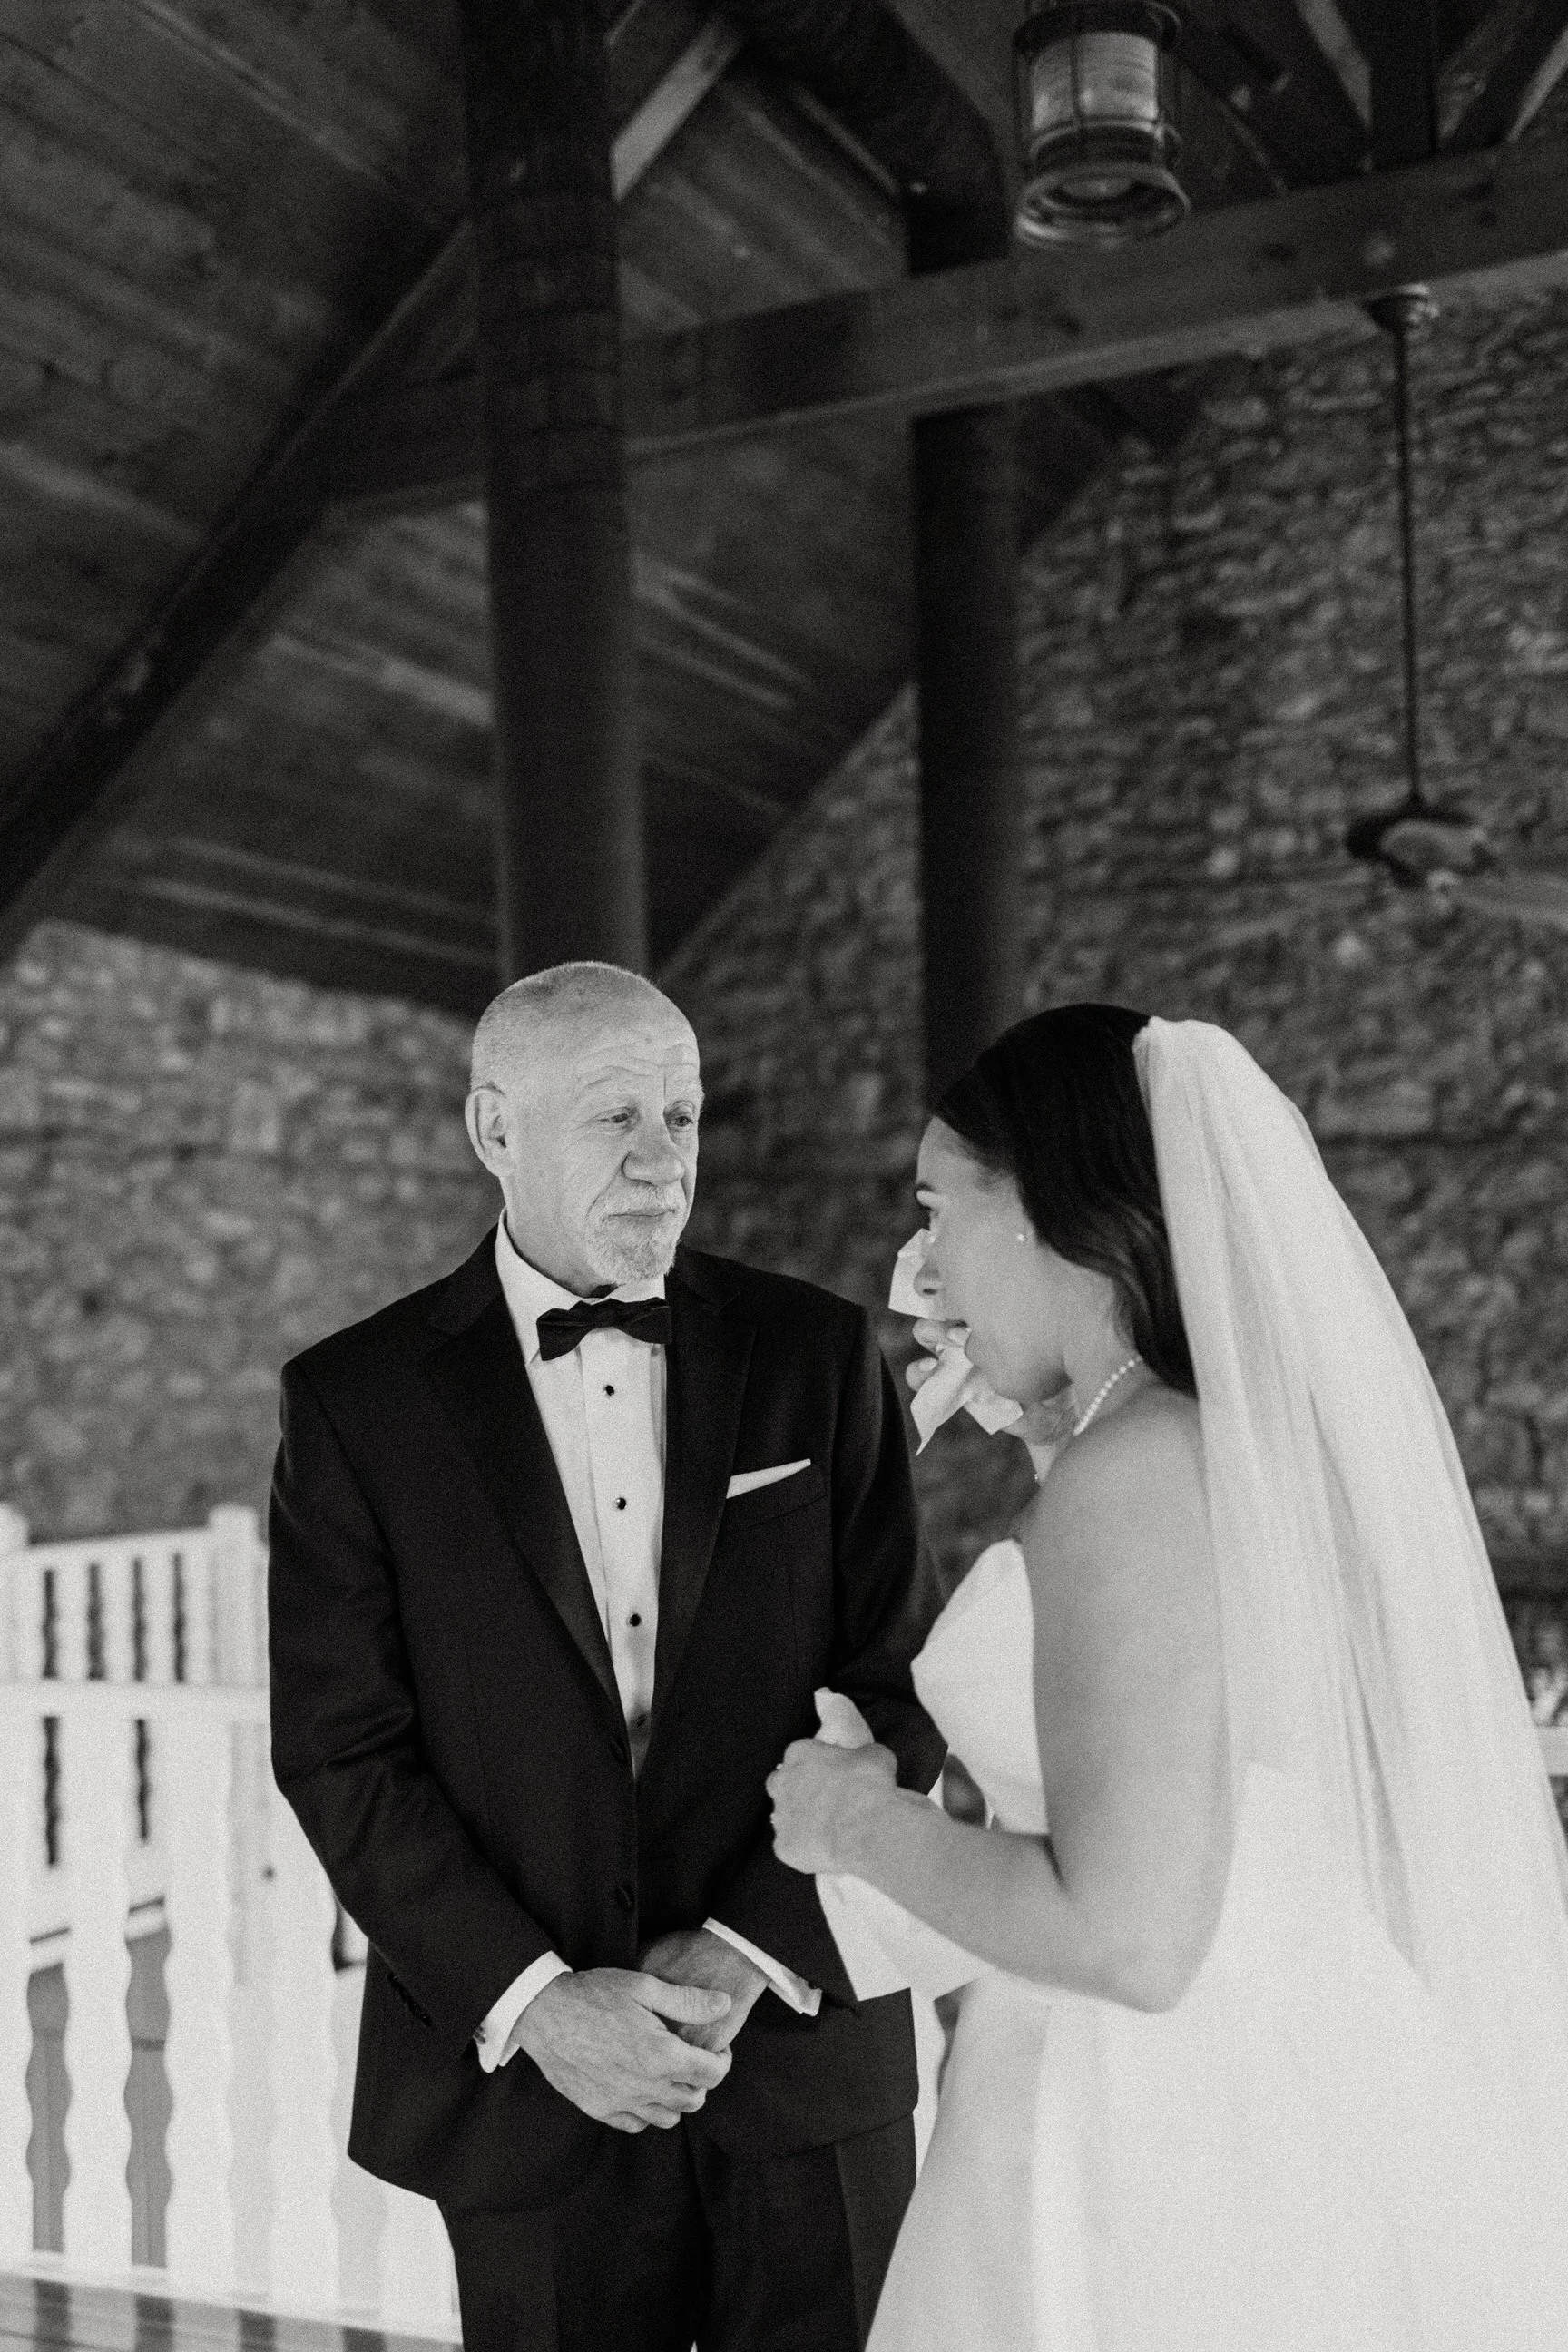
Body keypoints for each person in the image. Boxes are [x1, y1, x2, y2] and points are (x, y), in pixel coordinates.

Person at [768, 1004, 1568, 2351]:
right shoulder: (1196, 1457)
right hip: (1272, 2080)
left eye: (938, 1211)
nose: (923, 1270)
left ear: (1038, 1209)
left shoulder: (1135, 1476)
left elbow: (1125, 1937)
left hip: (1147, 2131)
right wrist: (1042, 1432)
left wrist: (856, 1820)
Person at [268, 961, 946, 2352]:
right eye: (613, 1118)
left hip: (799, 2057)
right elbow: (342, 1752)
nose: (662, 1161)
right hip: (530, 2089)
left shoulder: (817, 1353)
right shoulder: (355, 1401)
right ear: (493, 1132)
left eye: (684, 1117)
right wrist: (541, 2003)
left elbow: (896, 1679)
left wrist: (747, 1951)